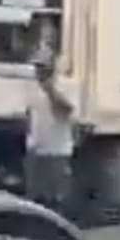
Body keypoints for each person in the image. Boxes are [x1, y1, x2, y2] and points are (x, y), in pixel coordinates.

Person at [25, 50, 76, 214]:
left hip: (57, 152)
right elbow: (30, 115)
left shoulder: (64, 86)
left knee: (57, 200)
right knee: (35, 199)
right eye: (36, 68)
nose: (38, 72)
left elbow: (66, 111)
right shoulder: (33, 89)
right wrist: (29, 142)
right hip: (36, 151)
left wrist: (51, 91)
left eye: (42, 68)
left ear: (51, 68)